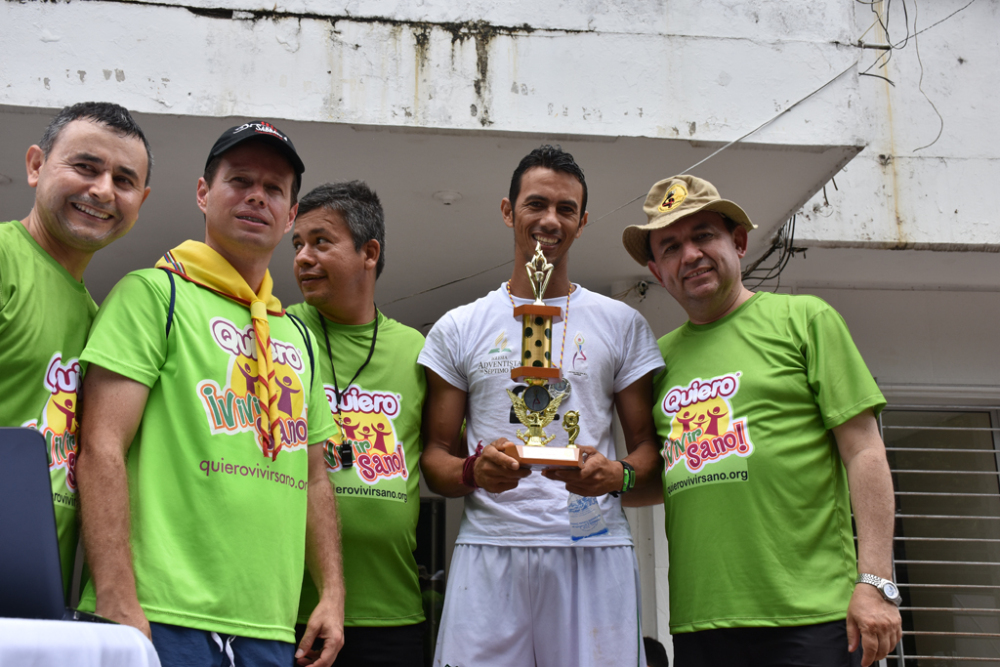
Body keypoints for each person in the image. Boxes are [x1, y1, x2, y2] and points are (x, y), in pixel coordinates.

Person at [76, 121, 345, 667]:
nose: (256, 196)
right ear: (203, 193)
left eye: (273, 189)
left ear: (290, 215)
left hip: (269, 626)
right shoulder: (153, 295)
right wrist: (116, 595)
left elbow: (316, 477)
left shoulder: (299, 336)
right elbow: (101, 447)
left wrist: (333, 593)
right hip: (158, 615)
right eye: (239, 180)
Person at [621, 174, 903, 667]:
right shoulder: (656, 362)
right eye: (671, 247)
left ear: (738, 242)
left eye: (703, 235)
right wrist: (571, 477)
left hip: (812, 615)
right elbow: (666, 477)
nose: (690, 255)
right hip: (700, 623)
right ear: (657, 271)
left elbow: (864, 450)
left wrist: (875, 582)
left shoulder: (805, 320)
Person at [419, 145, 664, 667]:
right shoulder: (458, 327)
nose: (550, 220)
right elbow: (435, 458)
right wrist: (472, 470)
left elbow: (647, 450)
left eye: (566, 209)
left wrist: (616, 474)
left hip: (592, 543)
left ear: (582, 221)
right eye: (536, 204)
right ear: (508, 211)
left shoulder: (622, 323)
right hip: (491, 544)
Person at [0, 101, 151, 597]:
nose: (103, 190)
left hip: (37, 595)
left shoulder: (98, 319)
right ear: (36, 165)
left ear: (141, 201)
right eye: (86, 167)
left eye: (124, 180)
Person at [289, 181, 427, 666]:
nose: (303, 257)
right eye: (297, 244)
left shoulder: (416, 350)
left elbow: (441, 455)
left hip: (393, 613)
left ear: (369, 253)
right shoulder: (279, 334)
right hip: (290, 610)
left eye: (320, 242)